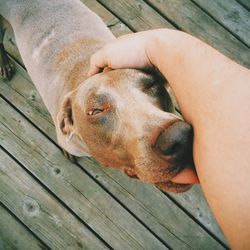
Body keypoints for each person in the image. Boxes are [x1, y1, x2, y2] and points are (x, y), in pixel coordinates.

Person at [88, 29, 250, 249]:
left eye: (152, 86)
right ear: (66, 125)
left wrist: (156, 46)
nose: (174, 133)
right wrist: (156, 45)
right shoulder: (68, 121)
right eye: (97, 111)